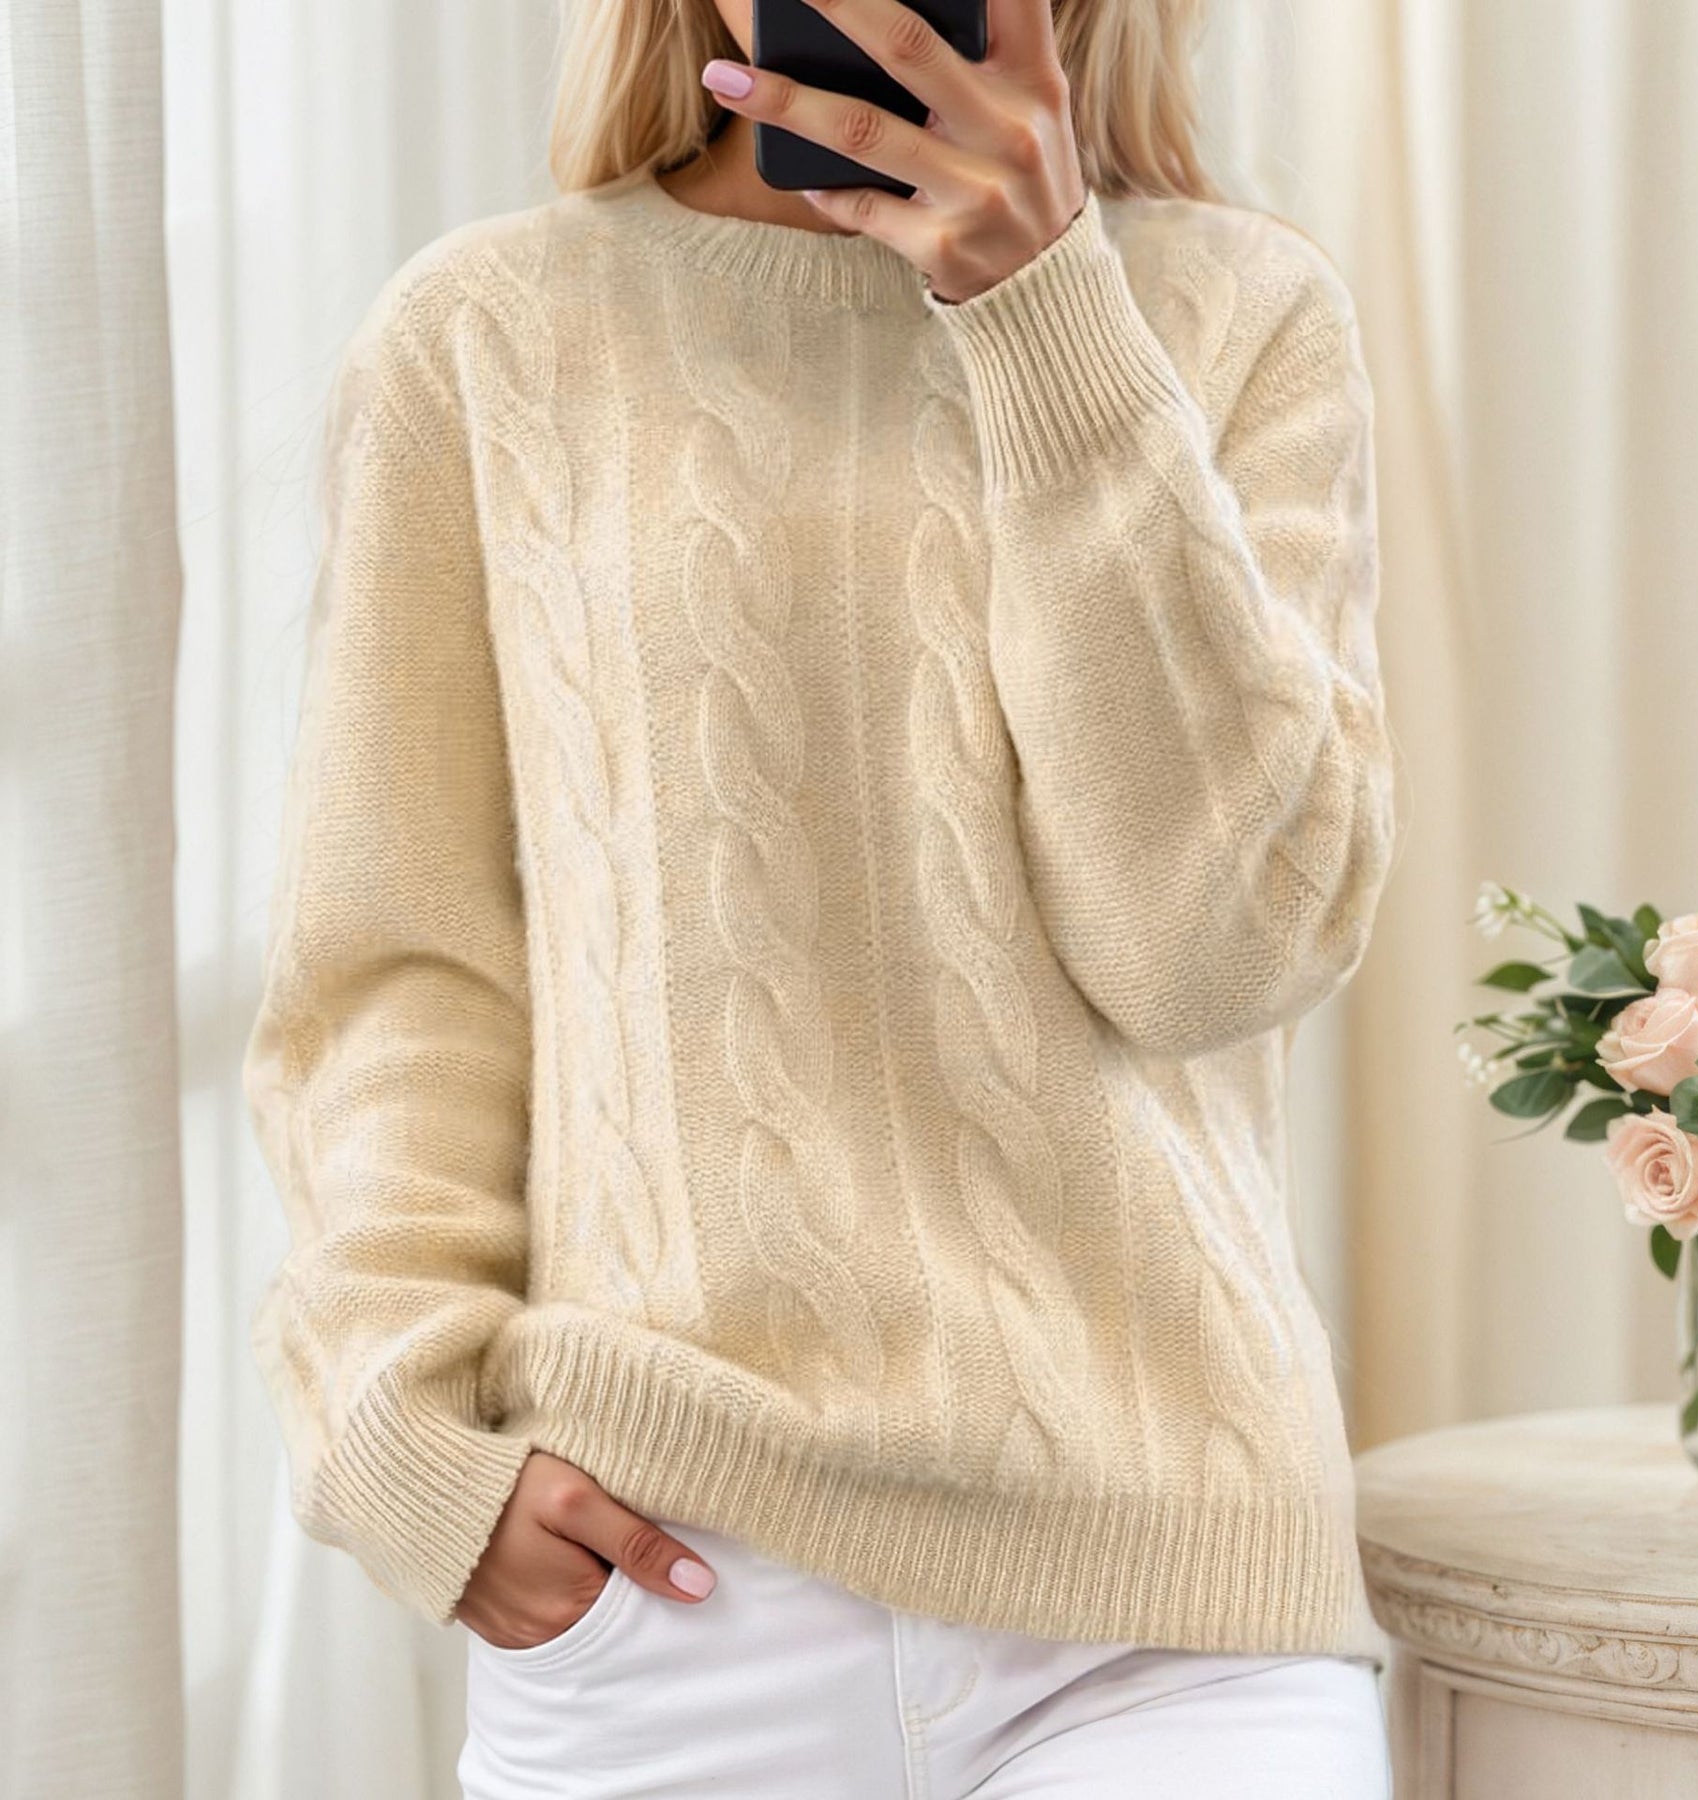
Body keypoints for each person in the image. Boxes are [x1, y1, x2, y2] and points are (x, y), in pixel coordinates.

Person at [240, 0, 1403, 1792]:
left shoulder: (1239, 311)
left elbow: (1209, 954)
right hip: (669, 1579)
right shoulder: (483, 333)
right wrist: (398, 1428)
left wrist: (1046, 311)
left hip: (1161, 1610)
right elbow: (399, 971)